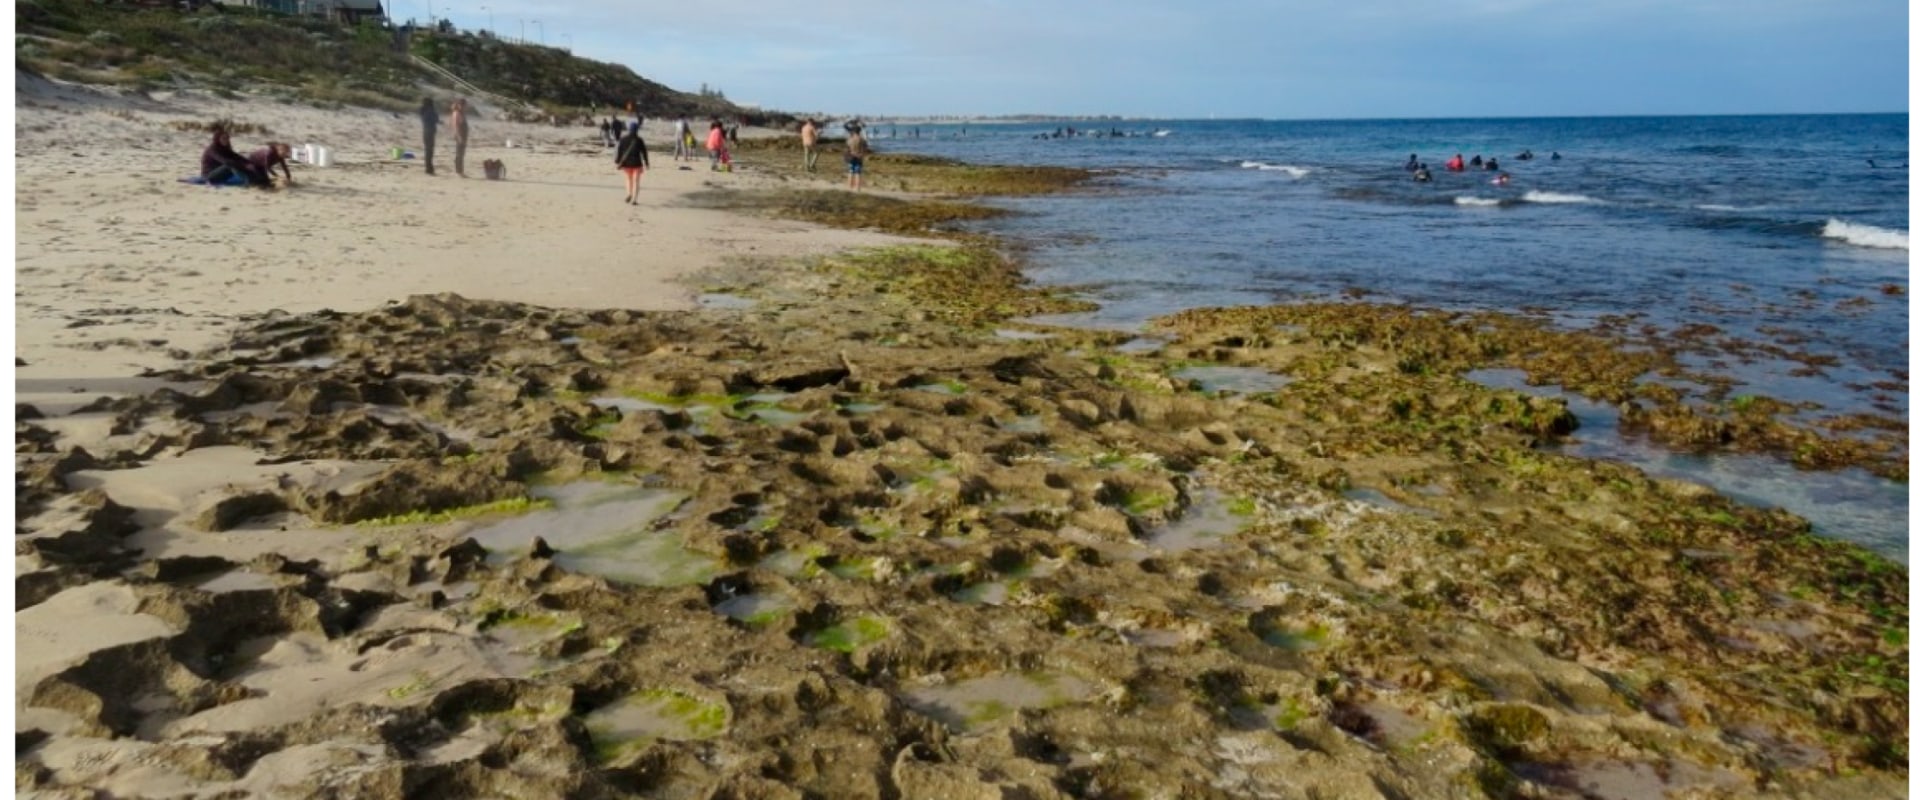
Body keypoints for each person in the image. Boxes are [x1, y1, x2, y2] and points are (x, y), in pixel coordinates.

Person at [615, 121, 650, 204]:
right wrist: (646, 163)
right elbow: (644, 152)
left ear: (629, 129)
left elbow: (620, 151)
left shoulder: (623, 139)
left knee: (628, 179)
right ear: (637, 130)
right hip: (637, 163)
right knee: (636, 181)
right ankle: (634, 199)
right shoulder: (639, 140)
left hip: (626, 163)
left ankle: (629, 194)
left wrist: (618, 161)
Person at [845, 125, 871, 190]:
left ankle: (850, 186)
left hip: (851, 156)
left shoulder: (850, 139)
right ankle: (857, 188)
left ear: (854, 131)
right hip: (859, 157)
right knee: (858, 173)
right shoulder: (862, 140)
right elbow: (866, 149)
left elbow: (847, 147)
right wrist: (862, 154)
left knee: (850, 171)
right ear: (860, 131)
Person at [418, 97, 439, 175]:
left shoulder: (423, 110)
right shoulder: (431, 111)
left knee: (427, 150)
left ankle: (428, 167)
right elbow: (436, 119)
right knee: (429, 151)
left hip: (425, 131)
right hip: (430, 132)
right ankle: (429, 168)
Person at [450, 97, 471, 177]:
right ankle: (458, 172)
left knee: (461, 153)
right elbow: (455, 125)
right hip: (460, 135)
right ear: (459, 105)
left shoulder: (462, 113)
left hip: (463, 135)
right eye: (464, 105)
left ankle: (460, 171)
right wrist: (458, 136)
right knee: (459, 154)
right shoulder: (457, 113)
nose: (465, 107)